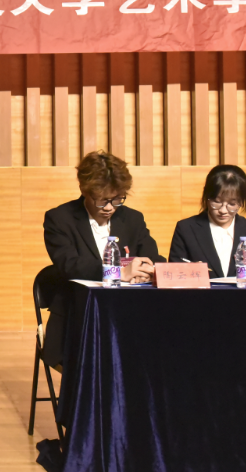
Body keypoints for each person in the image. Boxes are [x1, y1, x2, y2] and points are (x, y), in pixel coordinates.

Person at [40, 151, 165, 368]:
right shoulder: (60, 219)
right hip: (79, 319)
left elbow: (153, 258)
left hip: (129, 316)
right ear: (84, 190)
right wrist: (118, 273)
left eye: (117, 199)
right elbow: (70, 265)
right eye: (102, 200)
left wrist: (146, 271)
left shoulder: (132, 218)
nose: (109, 207)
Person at [168, 164, 246, 283]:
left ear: (241, 202)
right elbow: (173, 271)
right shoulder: (186, 228)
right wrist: (188, 270)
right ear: (206, 197)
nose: (223, 210)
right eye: (216, 202)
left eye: (232, 204)